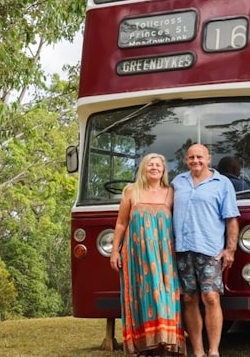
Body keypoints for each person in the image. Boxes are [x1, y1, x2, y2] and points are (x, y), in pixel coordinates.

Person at [110, 153, 186, 357]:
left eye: (158, 165)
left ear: (163, 170)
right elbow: (121, 223)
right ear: (143, 168)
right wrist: (114, 251)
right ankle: (144, 345)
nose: (154, 168)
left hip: (164, 255)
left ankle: (165, 343)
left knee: (165, 295)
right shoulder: (131, 191)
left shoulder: (171, 192)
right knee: (140, 295)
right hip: (136, 254)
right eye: (150, 164)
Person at [172, 144, 240, 357]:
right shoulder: (177, 183)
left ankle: (213, 351)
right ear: (186, 160)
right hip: (182, 249)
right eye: (191, 157)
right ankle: (198, 351)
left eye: (199, 157)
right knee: (189, 299)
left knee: (211, 297)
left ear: (208, 158)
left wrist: (230, 249)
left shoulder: (222, 183)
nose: (195, 161)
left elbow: (231, 218)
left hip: (209, 250)